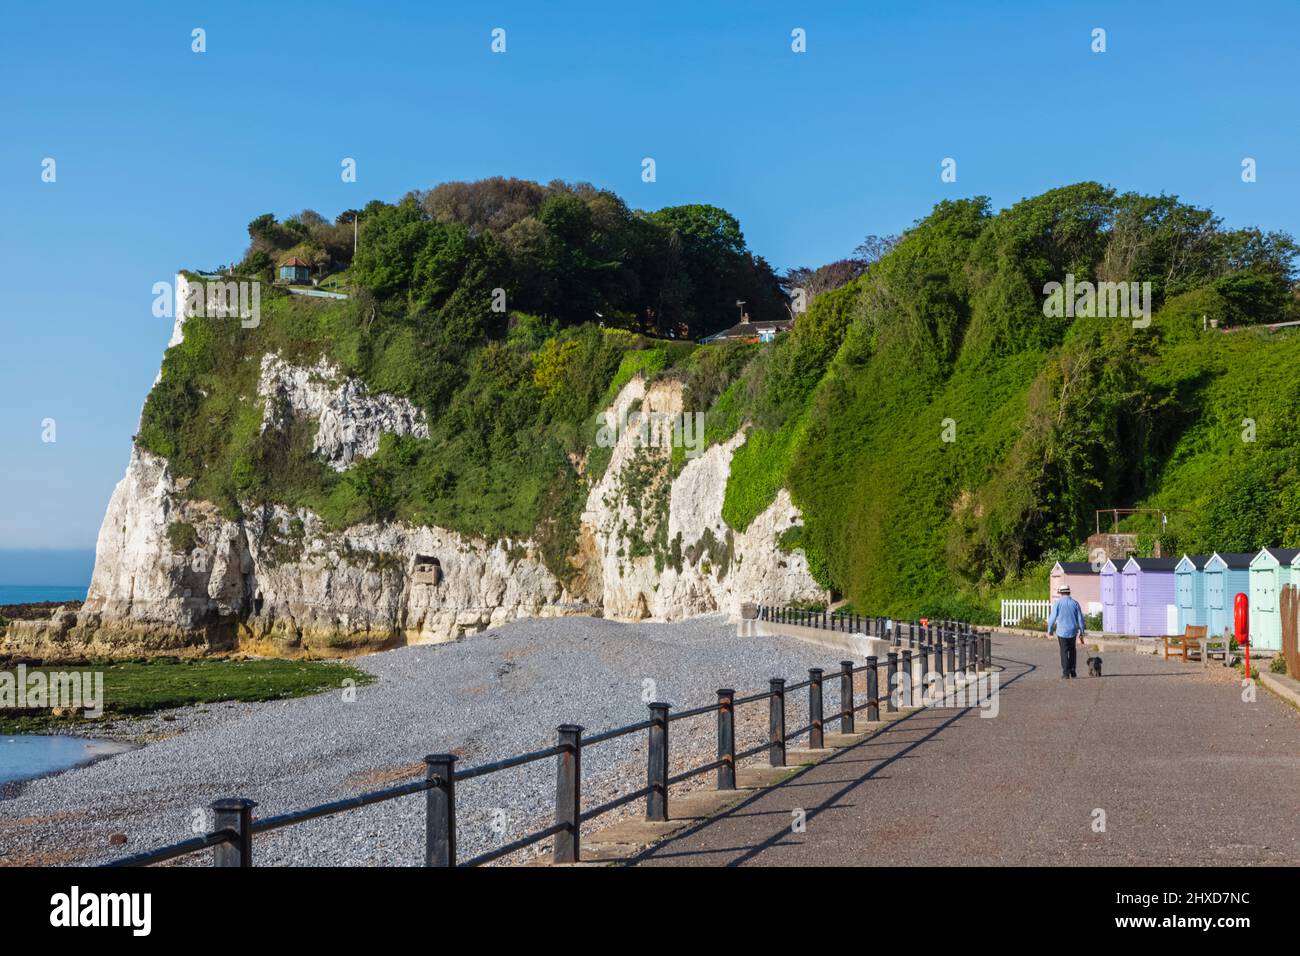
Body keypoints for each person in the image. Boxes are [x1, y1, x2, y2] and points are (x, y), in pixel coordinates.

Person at [1046, 585, 1087, 678]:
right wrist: (1082, 631)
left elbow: (1052, 618)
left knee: (1063, 651)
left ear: (1061, 592)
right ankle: (1072, 669)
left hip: (1062, 631)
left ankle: (1065, 672)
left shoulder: (1058, 603)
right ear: (1069, 592)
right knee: (1072, 650)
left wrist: (1050, 629)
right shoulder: (1075, 603)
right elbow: (1080, 618)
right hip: (1072, 631)